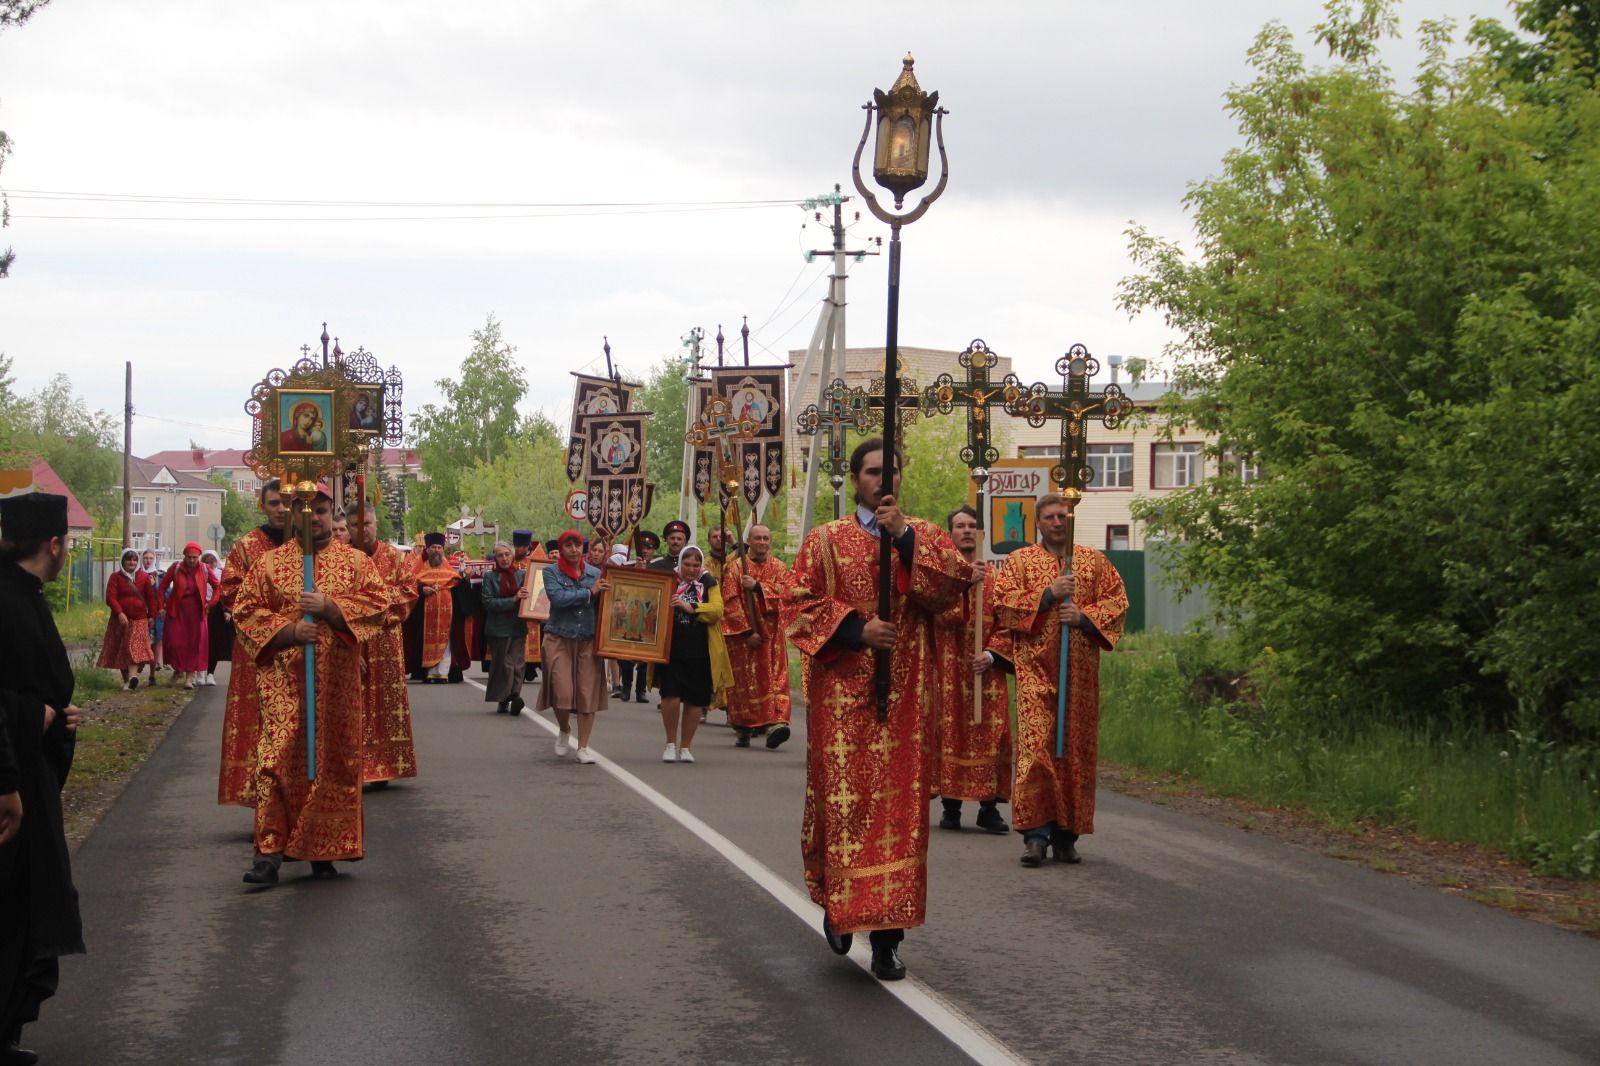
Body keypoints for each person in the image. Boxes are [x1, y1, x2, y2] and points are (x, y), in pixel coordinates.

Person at [781, 437, 970, 981]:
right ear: (856, 477)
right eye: (870, 472)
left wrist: (903, 539)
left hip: (907, 699)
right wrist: (857, 629)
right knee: (844, 809)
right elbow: (796, 606)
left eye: (889, 471)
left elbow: (950, 591)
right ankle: (840, 908)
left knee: (900, 819)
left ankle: (888, 938)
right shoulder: (825, 541)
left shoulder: (926, 535)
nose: (880, 480)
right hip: (841, 699)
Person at [233, 484, 388, 885]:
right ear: (294, 513)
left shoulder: (355, 563)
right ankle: (269, 851)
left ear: (330, 512)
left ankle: (323, 847)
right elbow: (245, 610)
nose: (314, 518)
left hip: (338, 684)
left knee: (331, 761)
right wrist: (287, 631)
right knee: (276, 759)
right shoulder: (268, 564)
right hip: (283, 682)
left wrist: (332, 609)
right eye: (306, 510)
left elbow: (379, 606)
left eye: (321, 510)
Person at [988, 492, 1128, 867]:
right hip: (1035, 673)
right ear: (1038, 522)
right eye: (1049, 516)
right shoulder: (1019, 562)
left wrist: (1083, 617)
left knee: (1074, 754)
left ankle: (1067, 834)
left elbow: (1117, 603)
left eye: (1062, 516)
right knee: (1036, 750)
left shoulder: (1094, 563)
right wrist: (1048, 595)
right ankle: (1035, 836)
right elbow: (1002, 604)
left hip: (1079, 679)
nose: (1057, 521)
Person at [0, 493, 85, 1065]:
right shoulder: (5, 599)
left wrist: (58, 714)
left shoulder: (22, 595)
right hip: (11, 774)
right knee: (10, 902)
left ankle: (8, 1025)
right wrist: (38, 717)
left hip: (26, 763)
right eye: (67, 543)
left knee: (25, 899)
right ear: (53, 544)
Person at [931, 506, 1013, 834]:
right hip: (949, 668)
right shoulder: (942, 576)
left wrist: (993, 654)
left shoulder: (998, 578)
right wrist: (964, 583)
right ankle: (951, 805)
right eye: (960, 526)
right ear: (950, 533)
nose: (966, 530)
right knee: (951, 734)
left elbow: (1009, 623)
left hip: (985, 670)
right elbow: (939, 615)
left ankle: (988, 807)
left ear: (979, 534)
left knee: (991, 734)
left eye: (972, 526)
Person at [217, 479, 289, 807]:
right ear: (263, 505)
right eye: (274, 503)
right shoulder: (246, 547)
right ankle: (261, 802)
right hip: (256, 652)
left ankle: (295, 803)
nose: (281, 509)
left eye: (286, 503)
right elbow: (231, 592)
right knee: (258, 723)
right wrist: (273, 620)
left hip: (300, 650)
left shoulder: (306, 545)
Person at [348, 502, 418, 788]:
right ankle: (355, 764)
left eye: (367, 523)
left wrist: (375, 608)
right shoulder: (341, 559)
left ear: (375, 524)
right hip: (351, 639)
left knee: (387, 704)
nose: (361, 529)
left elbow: (409, 592)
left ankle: (385, 764)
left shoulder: (394, 557)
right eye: (355, 524)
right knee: (353, 701)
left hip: (386, 641)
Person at [719, 524, 793, 749]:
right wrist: (747, 632)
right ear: (748, 541)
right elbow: (730, 602)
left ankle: (776, 724)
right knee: (747, 683)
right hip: (746, 638)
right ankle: (743, 727)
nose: (762, 543)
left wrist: (759, 587)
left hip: (772, 636)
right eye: (758, 538)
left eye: (766, 539)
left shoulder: (779, 567)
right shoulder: (735, 568)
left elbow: (788, 594)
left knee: (774, 678)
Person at [538, 531, 608, 763]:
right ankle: (564, 728)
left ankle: (584, 747)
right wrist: (590, 592)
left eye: (577, 545)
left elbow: (606, 605)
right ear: (562, 548)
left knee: (587, 693)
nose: (574, 550)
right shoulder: (550, 572)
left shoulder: (596, 573)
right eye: (568, 545)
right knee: (562, 692)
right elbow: (558, 598)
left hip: (588, 639)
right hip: (559, 636)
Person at [657, 545, 731, 764]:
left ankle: (686, 746)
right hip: (672, 647)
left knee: (695, 699)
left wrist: (691, 607)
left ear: (701, 565)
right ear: (680, 563)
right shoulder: (669, 580)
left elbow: (717, 610)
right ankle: (670, 743)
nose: (691, 569)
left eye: (695, 565)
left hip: (701, 650)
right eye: (687, 564)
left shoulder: (709, 583)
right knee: (670, 694)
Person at [159, 542, 220, 689]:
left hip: (197, 612)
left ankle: (189, 677)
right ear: (184, 556)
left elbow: (218, 586)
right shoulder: (176, 568)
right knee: (174, 642)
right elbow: (162, 587)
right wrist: (161, 606)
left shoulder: (204, 569)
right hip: (177, 610)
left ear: (199, 557)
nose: (191, 560)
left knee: (194, 644)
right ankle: (178, 670)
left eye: (194, 557)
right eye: (189, 557)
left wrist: (210, 603)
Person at [98, 548, 157, 690]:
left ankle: (132, 677)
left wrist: (152, 615)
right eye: (128, 559)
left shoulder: (143, 577)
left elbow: (150, 598)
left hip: (139, 619)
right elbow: (110, 597)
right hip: (120, 620)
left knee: (133, 647)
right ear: (123, 561)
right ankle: (128, 681)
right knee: (122, 649)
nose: (132, 562)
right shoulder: (115, 577)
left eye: (134, 559)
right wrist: (119, 613)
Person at [481, 541, 527, 716]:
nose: (504, 558)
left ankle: (515, 696)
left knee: (517, 664)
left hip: (517, 626)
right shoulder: (490, 577)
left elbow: (531, 597)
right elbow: (488, 602)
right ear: (496, 558)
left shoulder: (523, 575)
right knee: (504, 665)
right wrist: (513, 600)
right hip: (498, 628)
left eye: (507, 554)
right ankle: (504, 698)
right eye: (500, 555)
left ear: (512, 555)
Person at [405, 534, 460, 683]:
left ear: (443, 550)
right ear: (427, 550)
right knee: (425, 640)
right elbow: (409, 585)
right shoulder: (420, 568)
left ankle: (443, 672)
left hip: (447, 615)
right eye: (433, 547)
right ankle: (428, 672)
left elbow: (458, 587)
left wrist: (466, 579)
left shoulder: (450, 570)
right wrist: (422, 590)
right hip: (425, 614)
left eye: (439, 547)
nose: (436, 550)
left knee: (446, 643)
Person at [616, 530, 658, 702]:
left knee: (645, 656)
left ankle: (641, 690)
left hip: (648, 616)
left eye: (649, 548)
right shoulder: (626, 567)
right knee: (625, 654)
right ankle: (626, 687)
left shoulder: (658, 569)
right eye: (643, 547)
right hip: (629, 614)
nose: (646, 551)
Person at [511, 531, 543, 683]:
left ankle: (528, 670)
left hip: (530, 605)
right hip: (513, 605)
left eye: (522, 546)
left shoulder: (533, 563)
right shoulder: (508, 561)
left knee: (530, 637)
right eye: (516, 546)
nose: (519, 549)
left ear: (528, 547)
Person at [201, 550, 228, 687]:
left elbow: (225, 593)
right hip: (200, 608)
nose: (210, 564)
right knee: (199, 641)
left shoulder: (222, 573)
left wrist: (226, 611)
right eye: (207, 561)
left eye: (213, 561)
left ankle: (210, 673)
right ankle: (198, 672)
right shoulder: (199, 572)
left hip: (216, 610)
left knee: (213, 642)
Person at [141, 548, 164, 682]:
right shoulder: (137, 574)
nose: (148, 561)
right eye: (146, 558)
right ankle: (141, 663)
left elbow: (165, 593)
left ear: (154, 559)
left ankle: (153, 674)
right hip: (141, 612)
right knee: (143, 641)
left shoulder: (160, 575)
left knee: (157, 641)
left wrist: (155, 585)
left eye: (150, 558)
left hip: (156, 613)